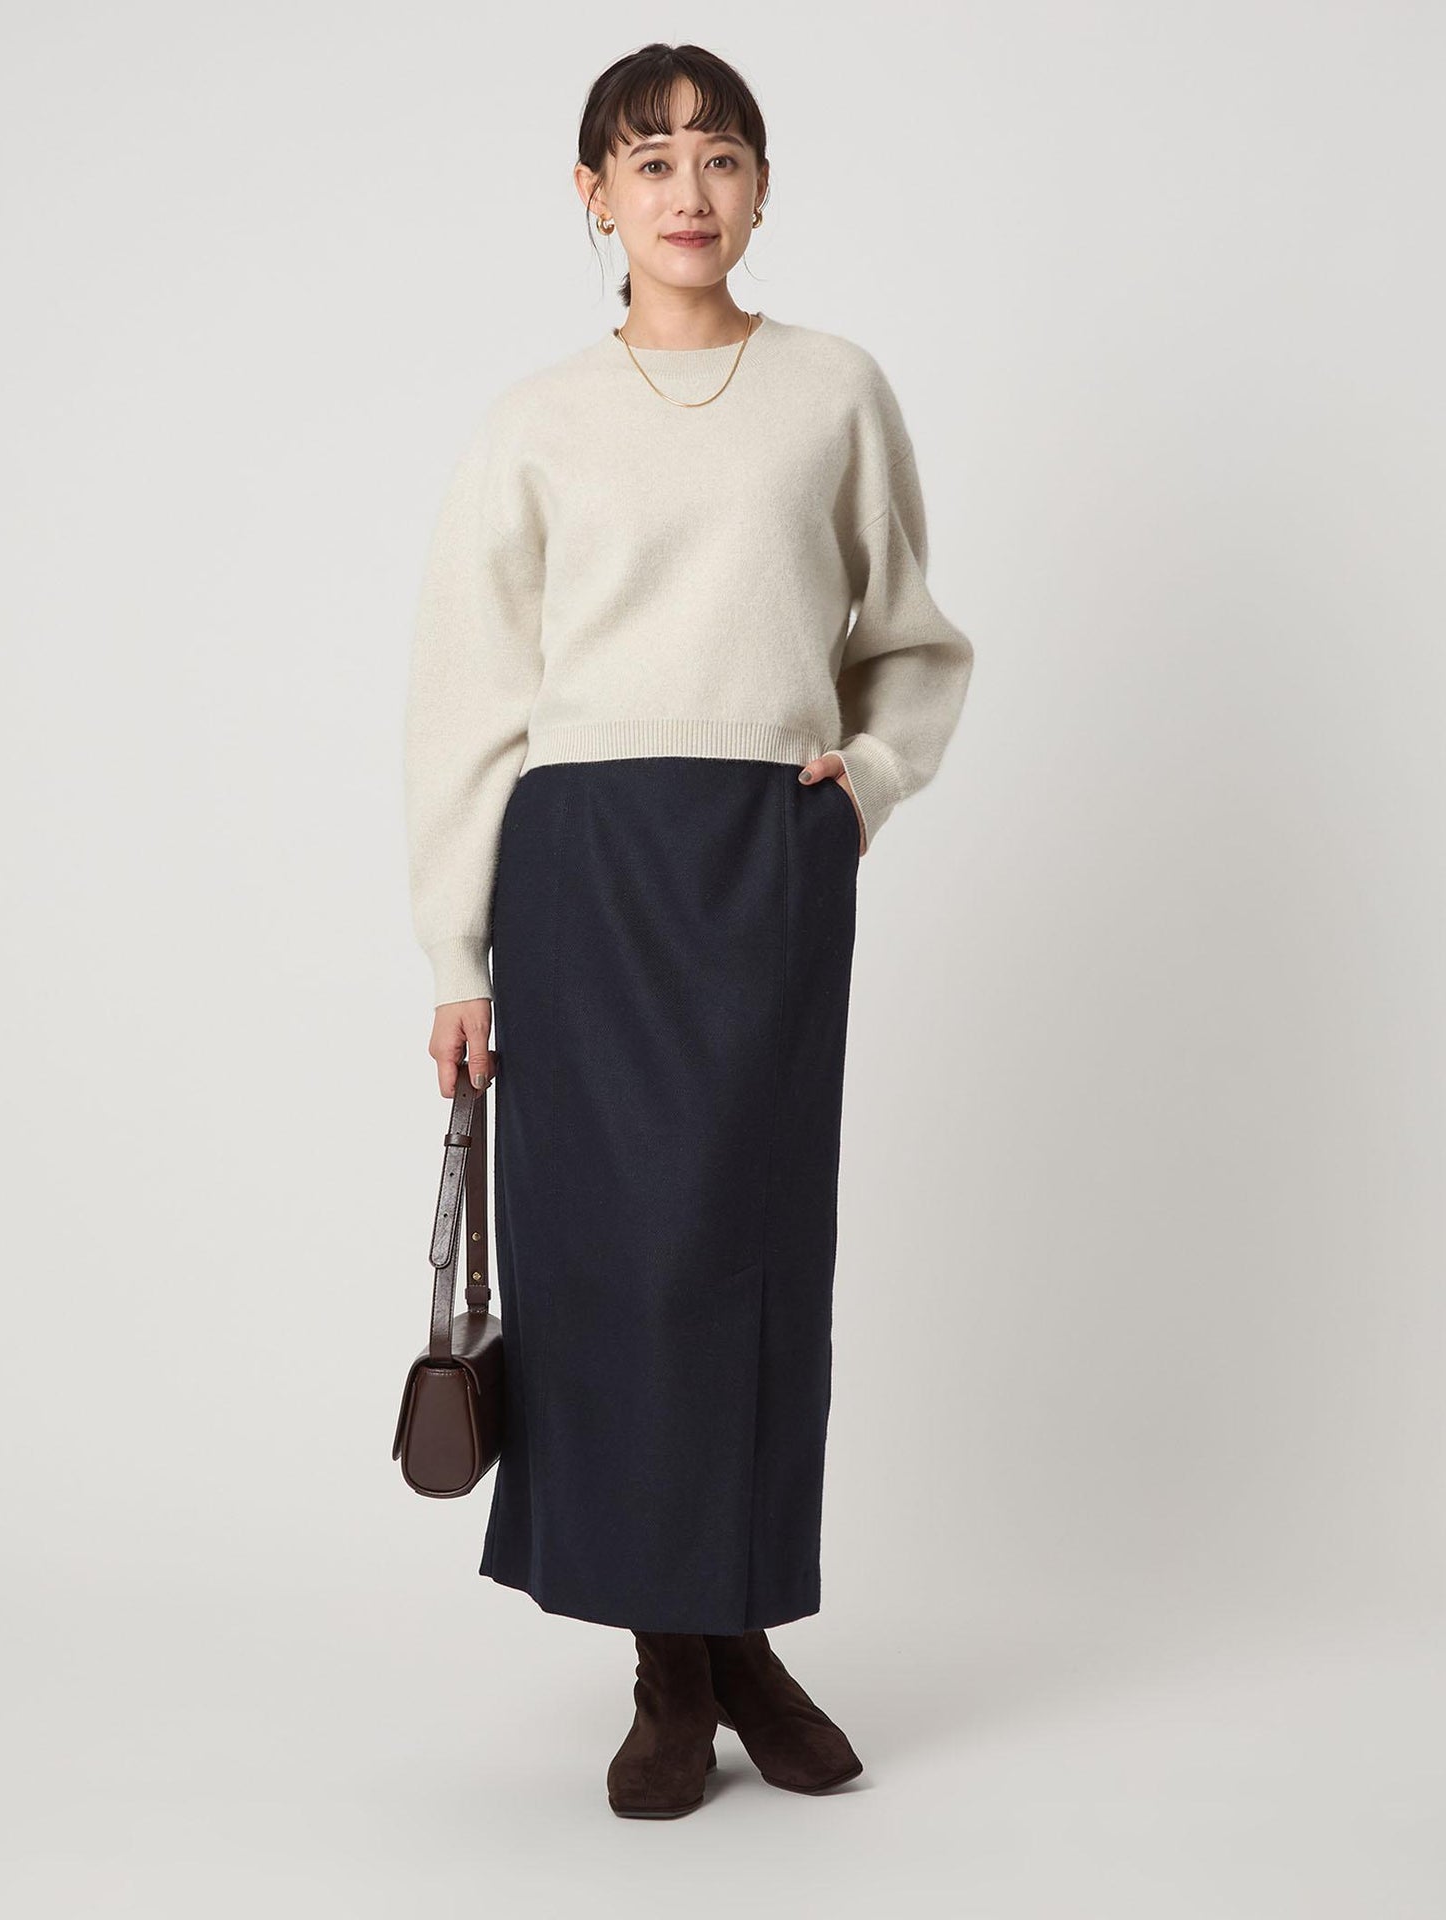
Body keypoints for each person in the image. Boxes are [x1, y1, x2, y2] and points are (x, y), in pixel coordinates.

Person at [401, 42, 975, 1818]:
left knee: (749, 1258)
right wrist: (456, 951)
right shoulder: (536, 421)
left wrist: (860, 791)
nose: (687, 190)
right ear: (593, 196)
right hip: (581, 865)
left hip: (761, 858)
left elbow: (911, 643)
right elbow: (468, 695)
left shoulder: (833, 391)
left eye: (719, 155)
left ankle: (727, 1632)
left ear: (762, 186)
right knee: (611, 1267)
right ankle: (687, 1667)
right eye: (648, 161)